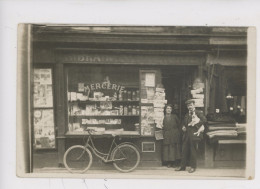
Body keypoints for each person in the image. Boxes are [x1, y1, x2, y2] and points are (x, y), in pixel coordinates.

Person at [175, 99, 207, 173]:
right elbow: (184, 123)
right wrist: (183, 127)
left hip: (194, 135)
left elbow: (204, 120)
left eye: (191, 105)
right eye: (188, 105)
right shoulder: (187, 114)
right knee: (184, 151)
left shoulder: (198, 113)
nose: (189, 107)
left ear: (194, 105)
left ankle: (193, 167)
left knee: (193, 151)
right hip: (186, 135)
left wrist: (196, 125)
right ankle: (182, 166)